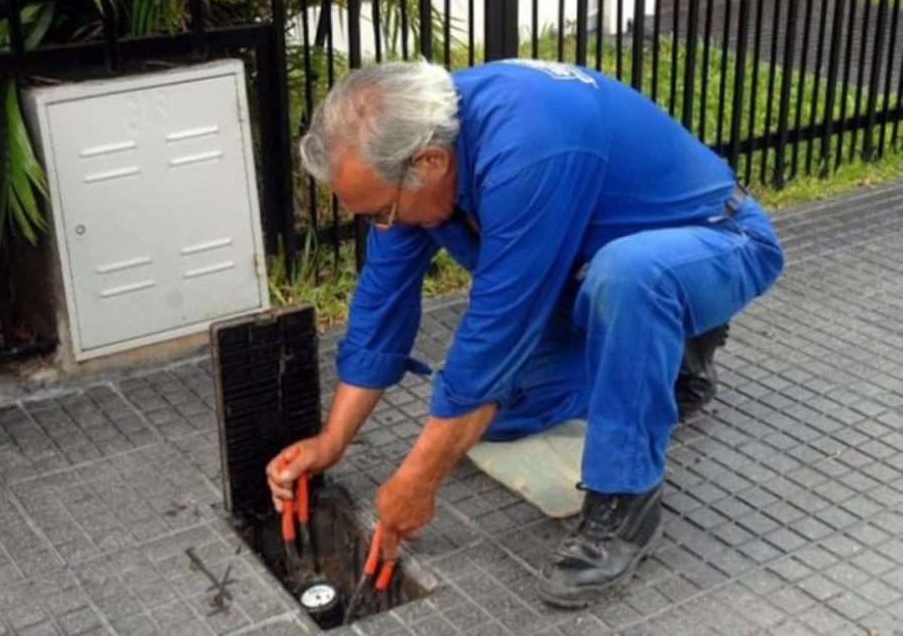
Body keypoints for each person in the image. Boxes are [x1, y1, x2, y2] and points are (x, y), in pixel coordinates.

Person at [265, 59, 784, 608]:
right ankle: (667, 358)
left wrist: (418, 480)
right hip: (583, 274)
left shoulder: (528, 149)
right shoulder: (413, 143)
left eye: (383, 211)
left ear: (431, 162)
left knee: (631, 278)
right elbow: (381, 304)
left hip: (715, 242)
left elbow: (497, 331)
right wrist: (331, 441)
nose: (383, 225)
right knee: (495, 414)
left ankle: (626, 502)